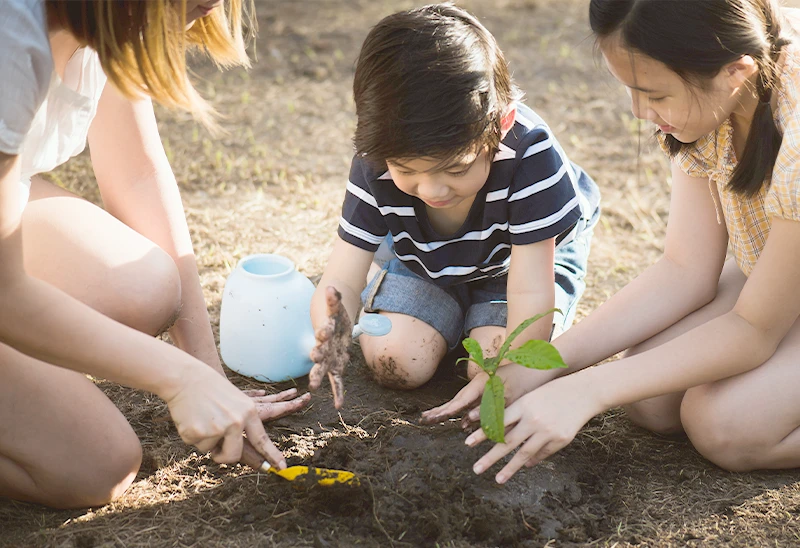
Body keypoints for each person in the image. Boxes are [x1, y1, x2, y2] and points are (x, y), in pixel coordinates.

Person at [422, 0, 800, 484]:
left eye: (654, 95)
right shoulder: (714, 82)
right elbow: (685, 270)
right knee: (650, 401)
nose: (640, 113)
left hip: (770, 305)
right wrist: (546, 368)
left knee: (725, 427)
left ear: (736, 72)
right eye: (631, 89)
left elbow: (753, 329)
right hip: (775, 274)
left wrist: (587, 390)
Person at [0, 0, 309, 509]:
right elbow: (6, 294)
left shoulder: (104, 22)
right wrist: (178, 378)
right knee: (96, 463)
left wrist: (206, 370)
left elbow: (137, 175)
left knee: (144, 287)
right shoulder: (12, 39)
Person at [307, 3, 600, 409]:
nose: (432, 189)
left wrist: (516, 374)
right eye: (407, 171)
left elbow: (531, 288)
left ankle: (470, 316)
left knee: (493, 369)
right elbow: (341, 277)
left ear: (502, 125)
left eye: (456, 168)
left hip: (519, 264)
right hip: (426, 258)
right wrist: (333, 332)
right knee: (396, 360)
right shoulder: (378, 158)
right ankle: (438, 304)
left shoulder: (530, 156)